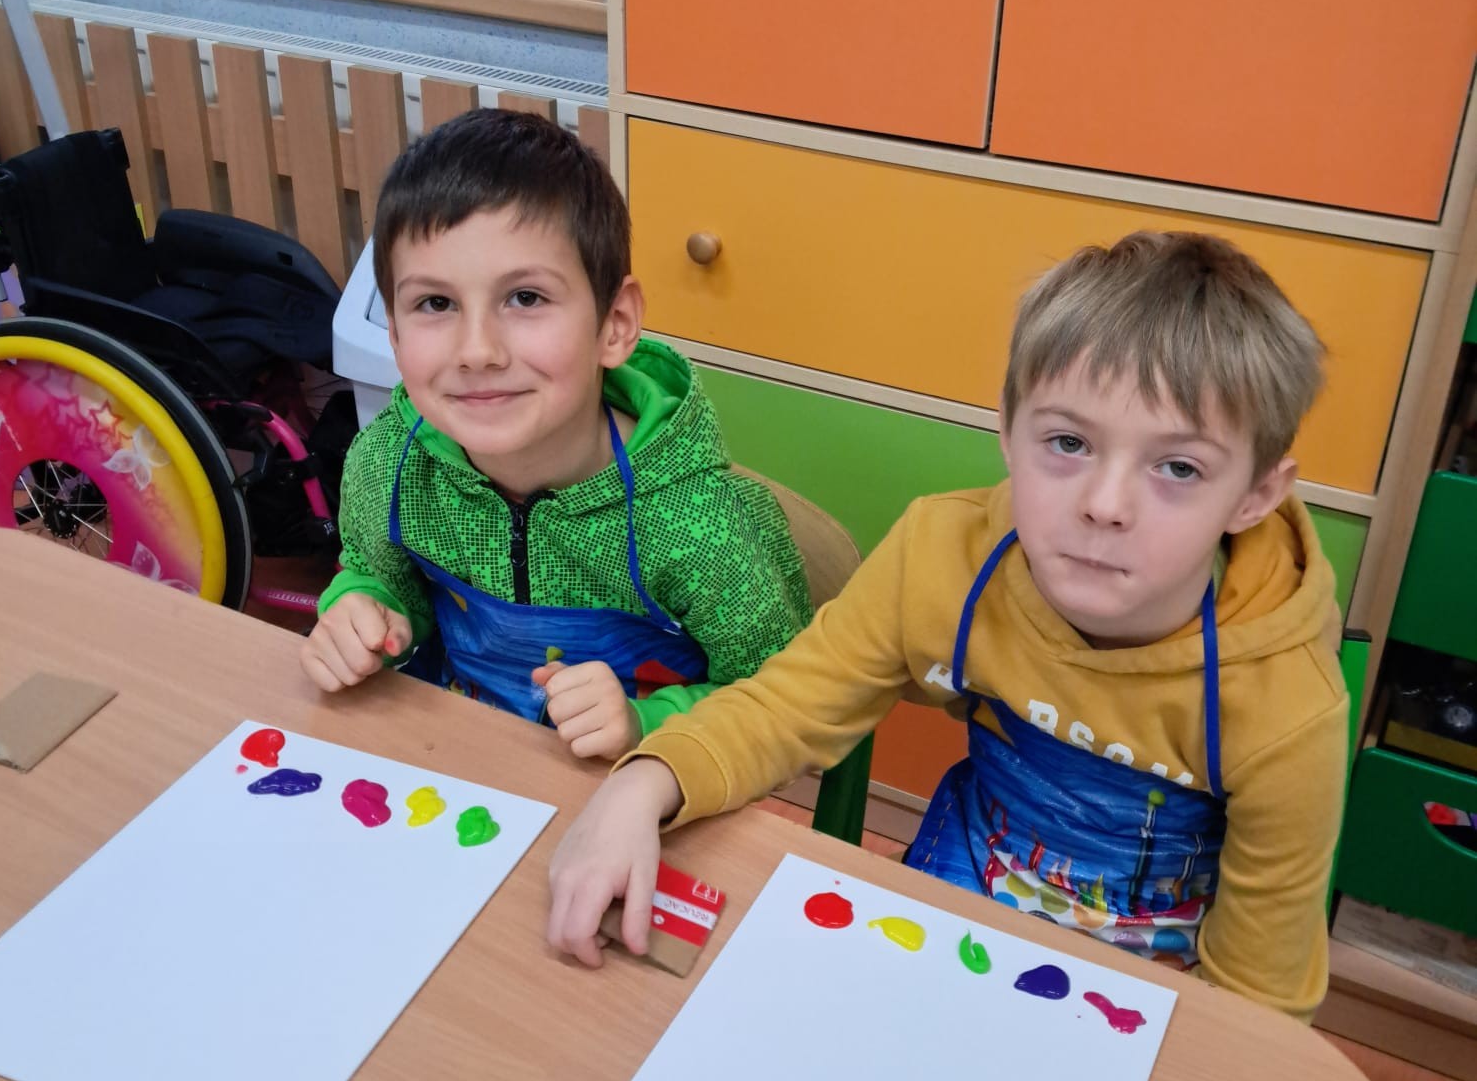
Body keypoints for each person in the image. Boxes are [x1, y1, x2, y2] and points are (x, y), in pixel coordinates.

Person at [547, 230, 1346, 1017]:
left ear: (1255, 496)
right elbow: (787, 707)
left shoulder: (1289, 710)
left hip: (1152, 976)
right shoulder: (940, 555)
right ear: (1008, 431)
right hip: (968, 889)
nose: (1105, 506)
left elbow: (1258, 1003)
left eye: (1178, 467)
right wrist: (641, 786)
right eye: (1068, 442)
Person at [303, 108, 810, 757]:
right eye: (435, 303)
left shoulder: (704, 526)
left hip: (638, 792)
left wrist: (647, 723)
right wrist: (365, 607)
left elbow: (781, 705)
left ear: (614, 324)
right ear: (395, 334)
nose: (478, 351)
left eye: (526, 298)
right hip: (451, 773)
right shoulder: (388, 462)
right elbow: (383, 577)